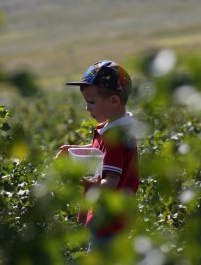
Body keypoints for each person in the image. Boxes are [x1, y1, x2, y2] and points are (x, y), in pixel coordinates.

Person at [56, 60, 140, 252]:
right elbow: (102, 153)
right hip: (114, 219)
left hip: (108, 221)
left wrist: (90, 183)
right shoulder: (116, 130)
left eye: (91, 103)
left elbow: (111, 182)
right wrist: (74, 149)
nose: (88, 109)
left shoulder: (115, 138)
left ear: (114, 101)